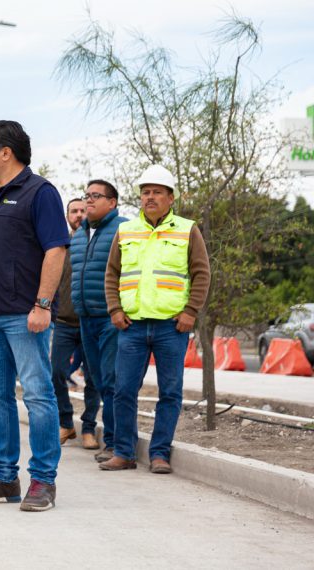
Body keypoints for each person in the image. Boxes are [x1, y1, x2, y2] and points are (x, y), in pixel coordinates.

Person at [0, 120, 67, 513]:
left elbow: (56, 250)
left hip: (24, 316)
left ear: (7, 152)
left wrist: (42, 305)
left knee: (38, 396)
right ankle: (4, 477)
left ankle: (43, 481)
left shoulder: (41, 193)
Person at [99, 164, 210, 475]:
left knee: (170, 392)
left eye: (156, 192)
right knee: (123, 390)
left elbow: (202, 273)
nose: (149, 197)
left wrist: (190, 312)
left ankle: (160, 453)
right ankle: (123, 452)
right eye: (145, 192)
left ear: (170, 198)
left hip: (171, 327)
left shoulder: (188, 229)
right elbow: (112, 274)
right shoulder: (126, 230)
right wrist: (115, 310)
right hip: (131, 326)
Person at [70, 181, 126, 461]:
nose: (89, 201)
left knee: (113, 382)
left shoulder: (123, 229)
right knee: (98, 381)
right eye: (87, 195)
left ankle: (116, 444)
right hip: (85, 318)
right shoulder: (79, 234)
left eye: (96, 196)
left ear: (112, 202)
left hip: (111, 318)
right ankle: (112, 440)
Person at [51, 197, 101, 451]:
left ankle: (89, 427)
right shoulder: (60, 246)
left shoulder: (96, 244)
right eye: (74, 211)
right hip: (63, 322)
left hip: (91, 323)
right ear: (67, 215)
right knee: (56, 373)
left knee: (93, 378)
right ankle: (65, 421)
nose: (79, 214)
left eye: (83, 210)